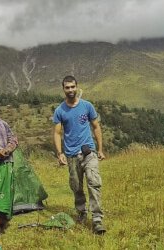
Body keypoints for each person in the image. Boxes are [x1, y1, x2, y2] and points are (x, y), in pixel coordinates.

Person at [53, 75, 106, 234]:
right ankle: (82, 212)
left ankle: (97, 219)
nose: (70, 90)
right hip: (71, 154)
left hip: (89, 151)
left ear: (77, 87)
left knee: (94, 182)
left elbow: (96, 127)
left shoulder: (87, 106)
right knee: (76, 187)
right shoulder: (59, 110)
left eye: (72, 87)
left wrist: (100, 149)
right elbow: (57, 133)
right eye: (67, 87)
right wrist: (59, 153)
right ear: (63, 89)